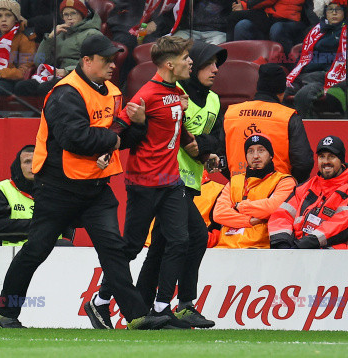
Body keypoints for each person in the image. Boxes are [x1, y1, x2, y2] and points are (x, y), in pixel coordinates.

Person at [0, 34, 171, 330]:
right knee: (36, 249)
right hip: (58, 188)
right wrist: (114, 137)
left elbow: (122, 137)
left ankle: (137, 315)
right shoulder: (65, 92)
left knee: (113, 248)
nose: (113, 65)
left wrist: (139, 125)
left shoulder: (112, 91)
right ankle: (5, 311)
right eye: (106, 60)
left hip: (96, 188)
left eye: (114, 59)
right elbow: (74, 139)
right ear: (86, 61)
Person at [85, 36, 195, 330]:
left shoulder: (176, 91)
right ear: (170, 64)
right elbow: (118, 126)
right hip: (144, 182)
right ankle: (99, 301)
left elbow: (176, 125)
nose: (190, 62)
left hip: (171, 181)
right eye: (186, 57)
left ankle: (162, 307)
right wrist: (105, 153)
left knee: (180, 241)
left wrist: (196, 147)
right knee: (132, 246)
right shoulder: (145, 95)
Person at [135, 41, 227, 329]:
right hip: (166, 177)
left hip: (189, 179)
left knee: (162, 244)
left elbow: (219, 139)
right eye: (208, 63)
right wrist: (200, 147)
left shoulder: (214, 101)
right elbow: (173, 136)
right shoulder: (175, 93)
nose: (215, 69)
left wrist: (207, 150)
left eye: (217, 64)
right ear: (193, 64)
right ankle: (180, 304)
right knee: (194, 236)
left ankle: (142, 307)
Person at [269, 135, 348, 249]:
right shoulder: (305, 187)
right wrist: (283, 244)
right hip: (297, 250)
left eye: (331, 157)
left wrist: (304, 244)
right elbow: (282, 215)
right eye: (322, 157)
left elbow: (341, 224)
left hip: (331, 255)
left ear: (341, 160)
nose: (326, 162)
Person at [224, 63, 314, 184]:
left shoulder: (231, 113)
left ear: (258, 86)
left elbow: (220, 158)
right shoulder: (288, 116)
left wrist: (236, 180)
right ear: (282, 92)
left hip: (239, 191)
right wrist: (287, 184)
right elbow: (303, 163)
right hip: (277, 193)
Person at [213, 134, 296, 248]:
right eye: (250, 151)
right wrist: (250, 220)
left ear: (271, 155)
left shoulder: (285, 181)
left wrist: (239, 206)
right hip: (225, 247)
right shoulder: (234, 181)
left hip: (260, 248)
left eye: (261, 150)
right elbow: (219, 214)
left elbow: (273, 208)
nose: (255, 156)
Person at [0, 145, 73, 247]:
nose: (32, 166)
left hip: (51, 251)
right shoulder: (3, 189)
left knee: (65, 245)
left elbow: (68, 223)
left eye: (36, 161)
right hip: (12, 253)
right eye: (27, 162)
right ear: (19, 166)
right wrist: (40, 226)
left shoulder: (55, 190)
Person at [285, 0, 348, 118]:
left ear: (345, 12)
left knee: (303, 95)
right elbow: (302, 57)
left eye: (338, 9)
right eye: (330, 9)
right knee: (279, 90)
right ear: (325, 13)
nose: (334, 13)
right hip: (305, 75)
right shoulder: (315, 30)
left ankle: (308, 129)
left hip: (327, 76)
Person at [14, 0, 101, 97]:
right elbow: (39, 61)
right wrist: (50, 38)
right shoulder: (60, 33)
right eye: (66, 14)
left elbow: (92, 63)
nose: (70, 18)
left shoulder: (92, 34)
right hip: (57, 74)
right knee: (22, 86)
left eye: (73, 13)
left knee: (45, 88)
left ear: (82, 15)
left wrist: (66, 71)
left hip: (78, 76)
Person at [230, 0, 306, 54]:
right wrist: (242, 4)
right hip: (269, 16)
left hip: (288, 20)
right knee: (243, 25)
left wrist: (245, 6)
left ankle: (288, 68)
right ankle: (238, 63)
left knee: (277, 29)